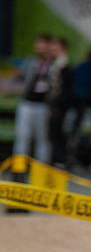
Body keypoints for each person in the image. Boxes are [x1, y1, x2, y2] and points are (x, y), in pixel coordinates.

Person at [13, 33, 53, 163]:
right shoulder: (31, 62)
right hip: (27, 103)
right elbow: (21, 77)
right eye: (37, 43)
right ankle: (19, 169)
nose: (38, 46)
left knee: (42, 139)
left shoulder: (53, 64)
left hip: (43, 105)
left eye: (41, 43)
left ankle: (41, 169)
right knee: (22, 137)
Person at [46, 36, 74, 166]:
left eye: (55, 49)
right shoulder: (53, 65)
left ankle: (59, 161)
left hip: (61, 108)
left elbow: (66, 91)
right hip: (54, 106)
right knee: (53, 134)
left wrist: (59, 105)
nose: (52, 51)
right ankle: (55, 161)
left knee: (59, 134)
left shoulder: (64, 66)